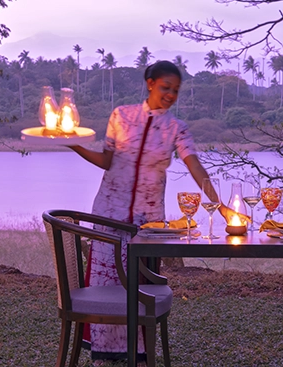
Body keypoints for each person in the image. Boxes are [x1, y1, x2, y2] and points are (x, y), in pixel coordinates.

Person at [67, 60, 246, 365]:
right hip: (108, 215)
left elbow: (195, 167)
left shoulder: (176, 128)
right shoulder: (121, 115)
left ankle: (138, 356)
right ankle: (105, 356)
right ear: (150, 83)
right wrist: (73, 144)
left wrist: (220, 204)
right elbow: (107, 160)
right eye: (166, 87)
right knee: (106, 287)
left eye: (176, 90)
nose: (171, 94)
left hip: (147, 224)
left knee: (139, 289)